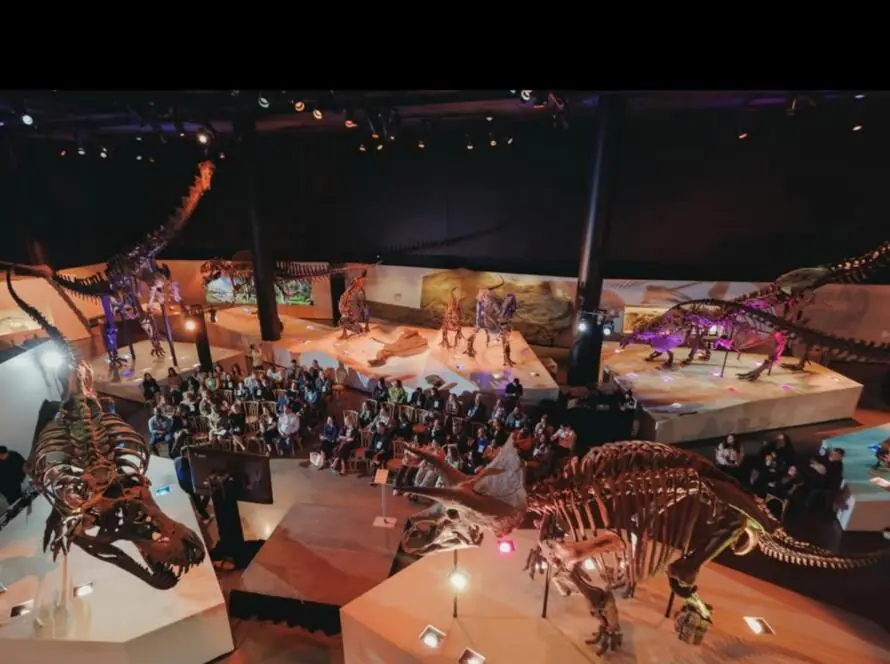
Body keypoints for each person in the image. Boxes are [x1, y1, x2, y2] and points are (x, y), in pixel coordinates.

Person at [174, 447, 211, 521]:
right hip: (188, 485)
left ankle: (201, 508)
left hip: (186, 483)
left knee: (203, 495)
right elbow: (184, 477)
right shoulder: (184, 463)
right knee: (204, 494)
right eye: (189, 453)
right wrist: (196, 483)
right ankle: (205, 515)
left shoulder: (177, 459)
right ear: (185, 454)